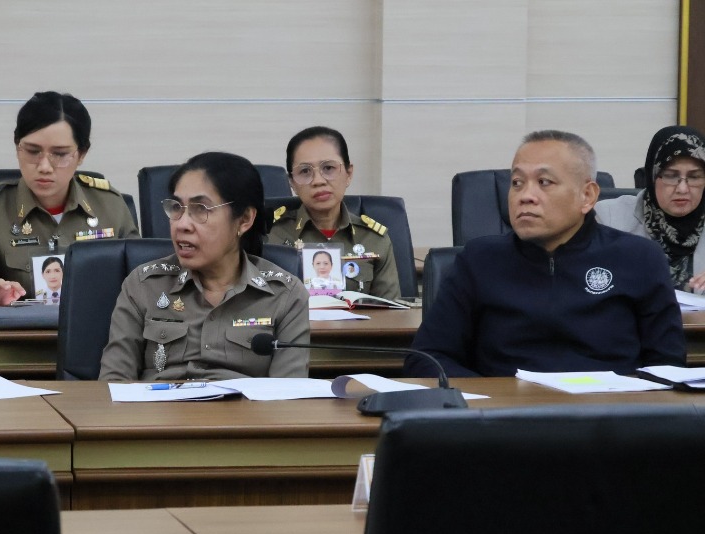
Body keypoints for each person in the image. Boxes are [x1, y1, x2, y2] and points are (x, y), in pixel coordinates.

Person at [406, 129, 685, 378]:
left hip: (609, 413)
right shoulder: (480, 260)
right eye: (517, 183)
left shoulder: (638, 258)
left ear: (587, 196)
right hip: (505, 414)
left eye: (544, 182)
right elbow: (427, 358)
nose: (525, 196)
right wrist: (492, 399)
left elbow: (668, 365)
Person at [99, 151, 310, 381]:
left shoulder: (285, 295)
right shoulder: (144, 285)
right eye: (176, 208)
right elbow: (113, 384)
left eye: (201, 209)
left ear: (244, 219)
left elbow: (286, 394)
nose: (182, 224)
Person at [0, 91, 139, 308]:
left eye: (60, 154)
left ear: (82, 154)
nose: (44, 167)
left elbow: (142, 278)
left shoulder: (111, 206)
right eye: (32, 151)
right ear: (17, 148)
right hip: (21, 329)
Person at [268, 126, 401, 300]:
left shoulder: (374, 240)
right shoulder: (271, 235)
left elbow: (391, 311)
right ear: (292, 182)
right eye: (305, 171)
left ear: (348, 173)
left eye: (329, 168)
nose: (318, 181)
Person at [595, 125, 705, 291]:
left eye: (694, 177)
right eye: (670, 176)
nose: (682, 189)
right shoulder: (608, 218)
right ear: (652, 176)